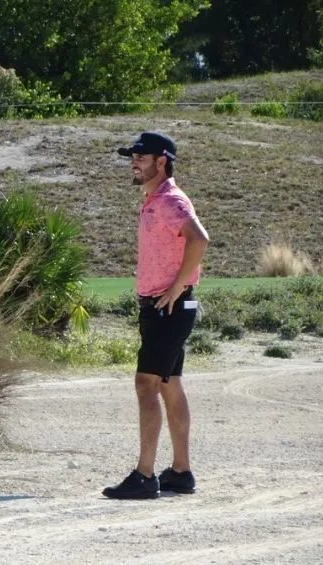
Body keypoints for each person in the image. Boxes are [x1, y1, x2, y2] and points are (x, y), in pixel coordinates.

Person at [103, 132, 209, 500]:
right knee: (168, 384)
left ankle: (145, 476)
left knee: (145, 384)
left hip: (169, 308)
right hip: (164, 308)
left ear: (161, 160)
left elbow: (200, 239)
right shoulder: (154, 200)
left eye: (141, 156)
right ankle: (181, 472)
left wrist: (177, 288)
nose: (134, 161)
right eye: (132, 156)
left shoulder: (170, 201)